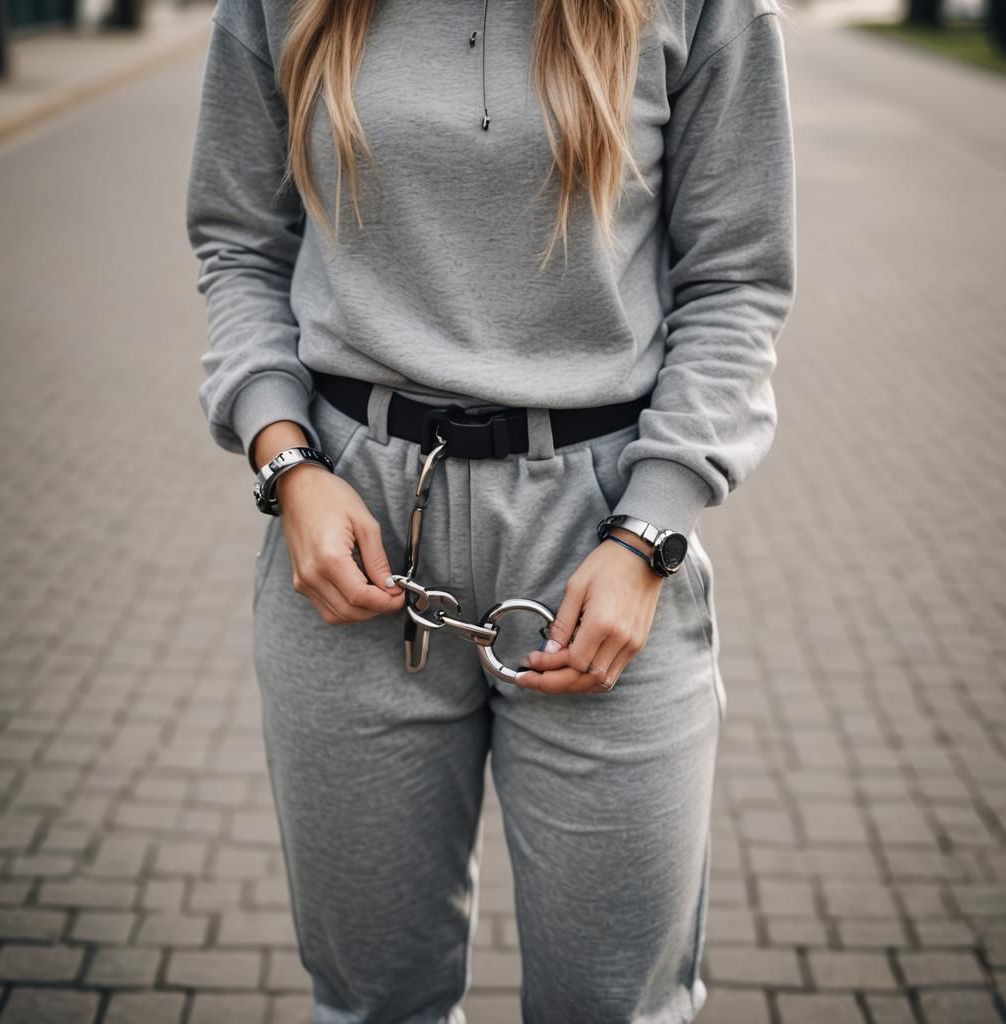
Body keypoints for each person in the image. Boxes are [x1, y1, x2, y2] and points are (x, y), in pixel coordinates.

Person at [185, 0, 796, 1019]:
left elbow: (735, 278)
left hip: (600, 539)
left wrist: (650, 528)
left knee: (615, 1004)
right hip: (352, 524)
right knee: (375, 1000)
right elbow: (239, 245)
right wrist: (286, 462)